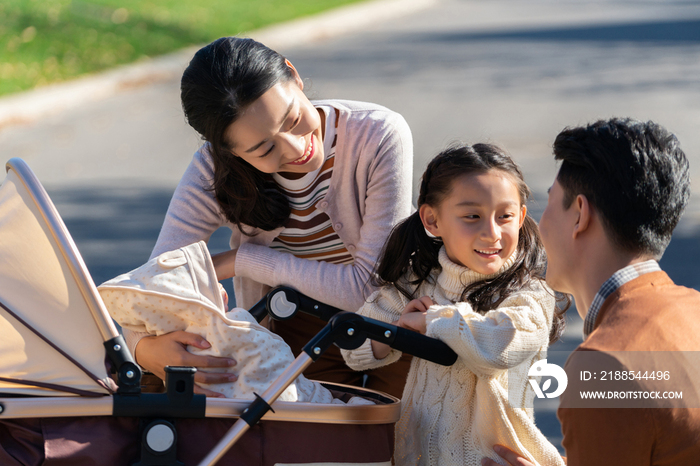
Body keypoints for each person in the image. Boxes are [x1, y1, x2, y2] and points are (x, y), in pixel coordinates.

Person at [123, 37, 414, 398]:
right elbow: (146, 288)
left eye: (293, 118)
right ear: (228, 151)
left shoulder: (378, 133)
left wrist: (245, 260)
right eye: (264, 149)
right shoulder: (211, 171)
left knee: (405, 444)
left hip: (401, 322)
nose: (296, 148)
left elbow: (369, 289)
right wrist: (143, 349)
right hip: (297, 333)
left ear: (293, 74)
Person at [483, 118, 700, 466]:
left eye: (550, 202)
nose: (535, 225)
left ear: (580, 214)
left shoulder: (602, 365)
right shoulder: (693, 309)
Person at [341, 143, 567, 466]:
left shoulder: (530, 294)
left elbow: (500, 347)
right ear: (432, 220)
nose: (492, 234)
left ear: (520, 218)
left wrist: (436, 320)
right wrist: (395, 330)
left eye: (505, 216)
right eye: (472, 216)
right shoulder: (419, 282)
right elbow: (354, 347)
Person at [98, 241, 371, 405]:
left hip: (229, 427)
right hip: (291, 402)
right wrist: (143, 349)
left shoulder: (186, 350)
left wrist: (241, 258)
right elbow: (278, 364)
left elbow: (150, 288)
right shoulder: (238, 325)